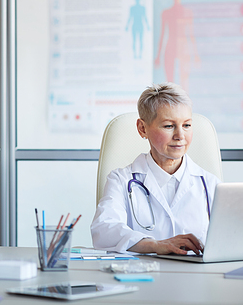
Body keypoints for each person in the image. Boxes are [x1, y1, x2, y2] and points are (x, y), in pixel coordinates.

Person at [91, 83, 220, 255]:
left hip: (197, 278)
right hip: (142, 278)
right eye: (169, 126)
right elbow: (104, 230)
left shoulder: (210, 184)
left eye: (187, 125)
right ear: (142, 128)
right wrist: (156, 245)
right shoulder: (121, 180)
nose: (180, 136)